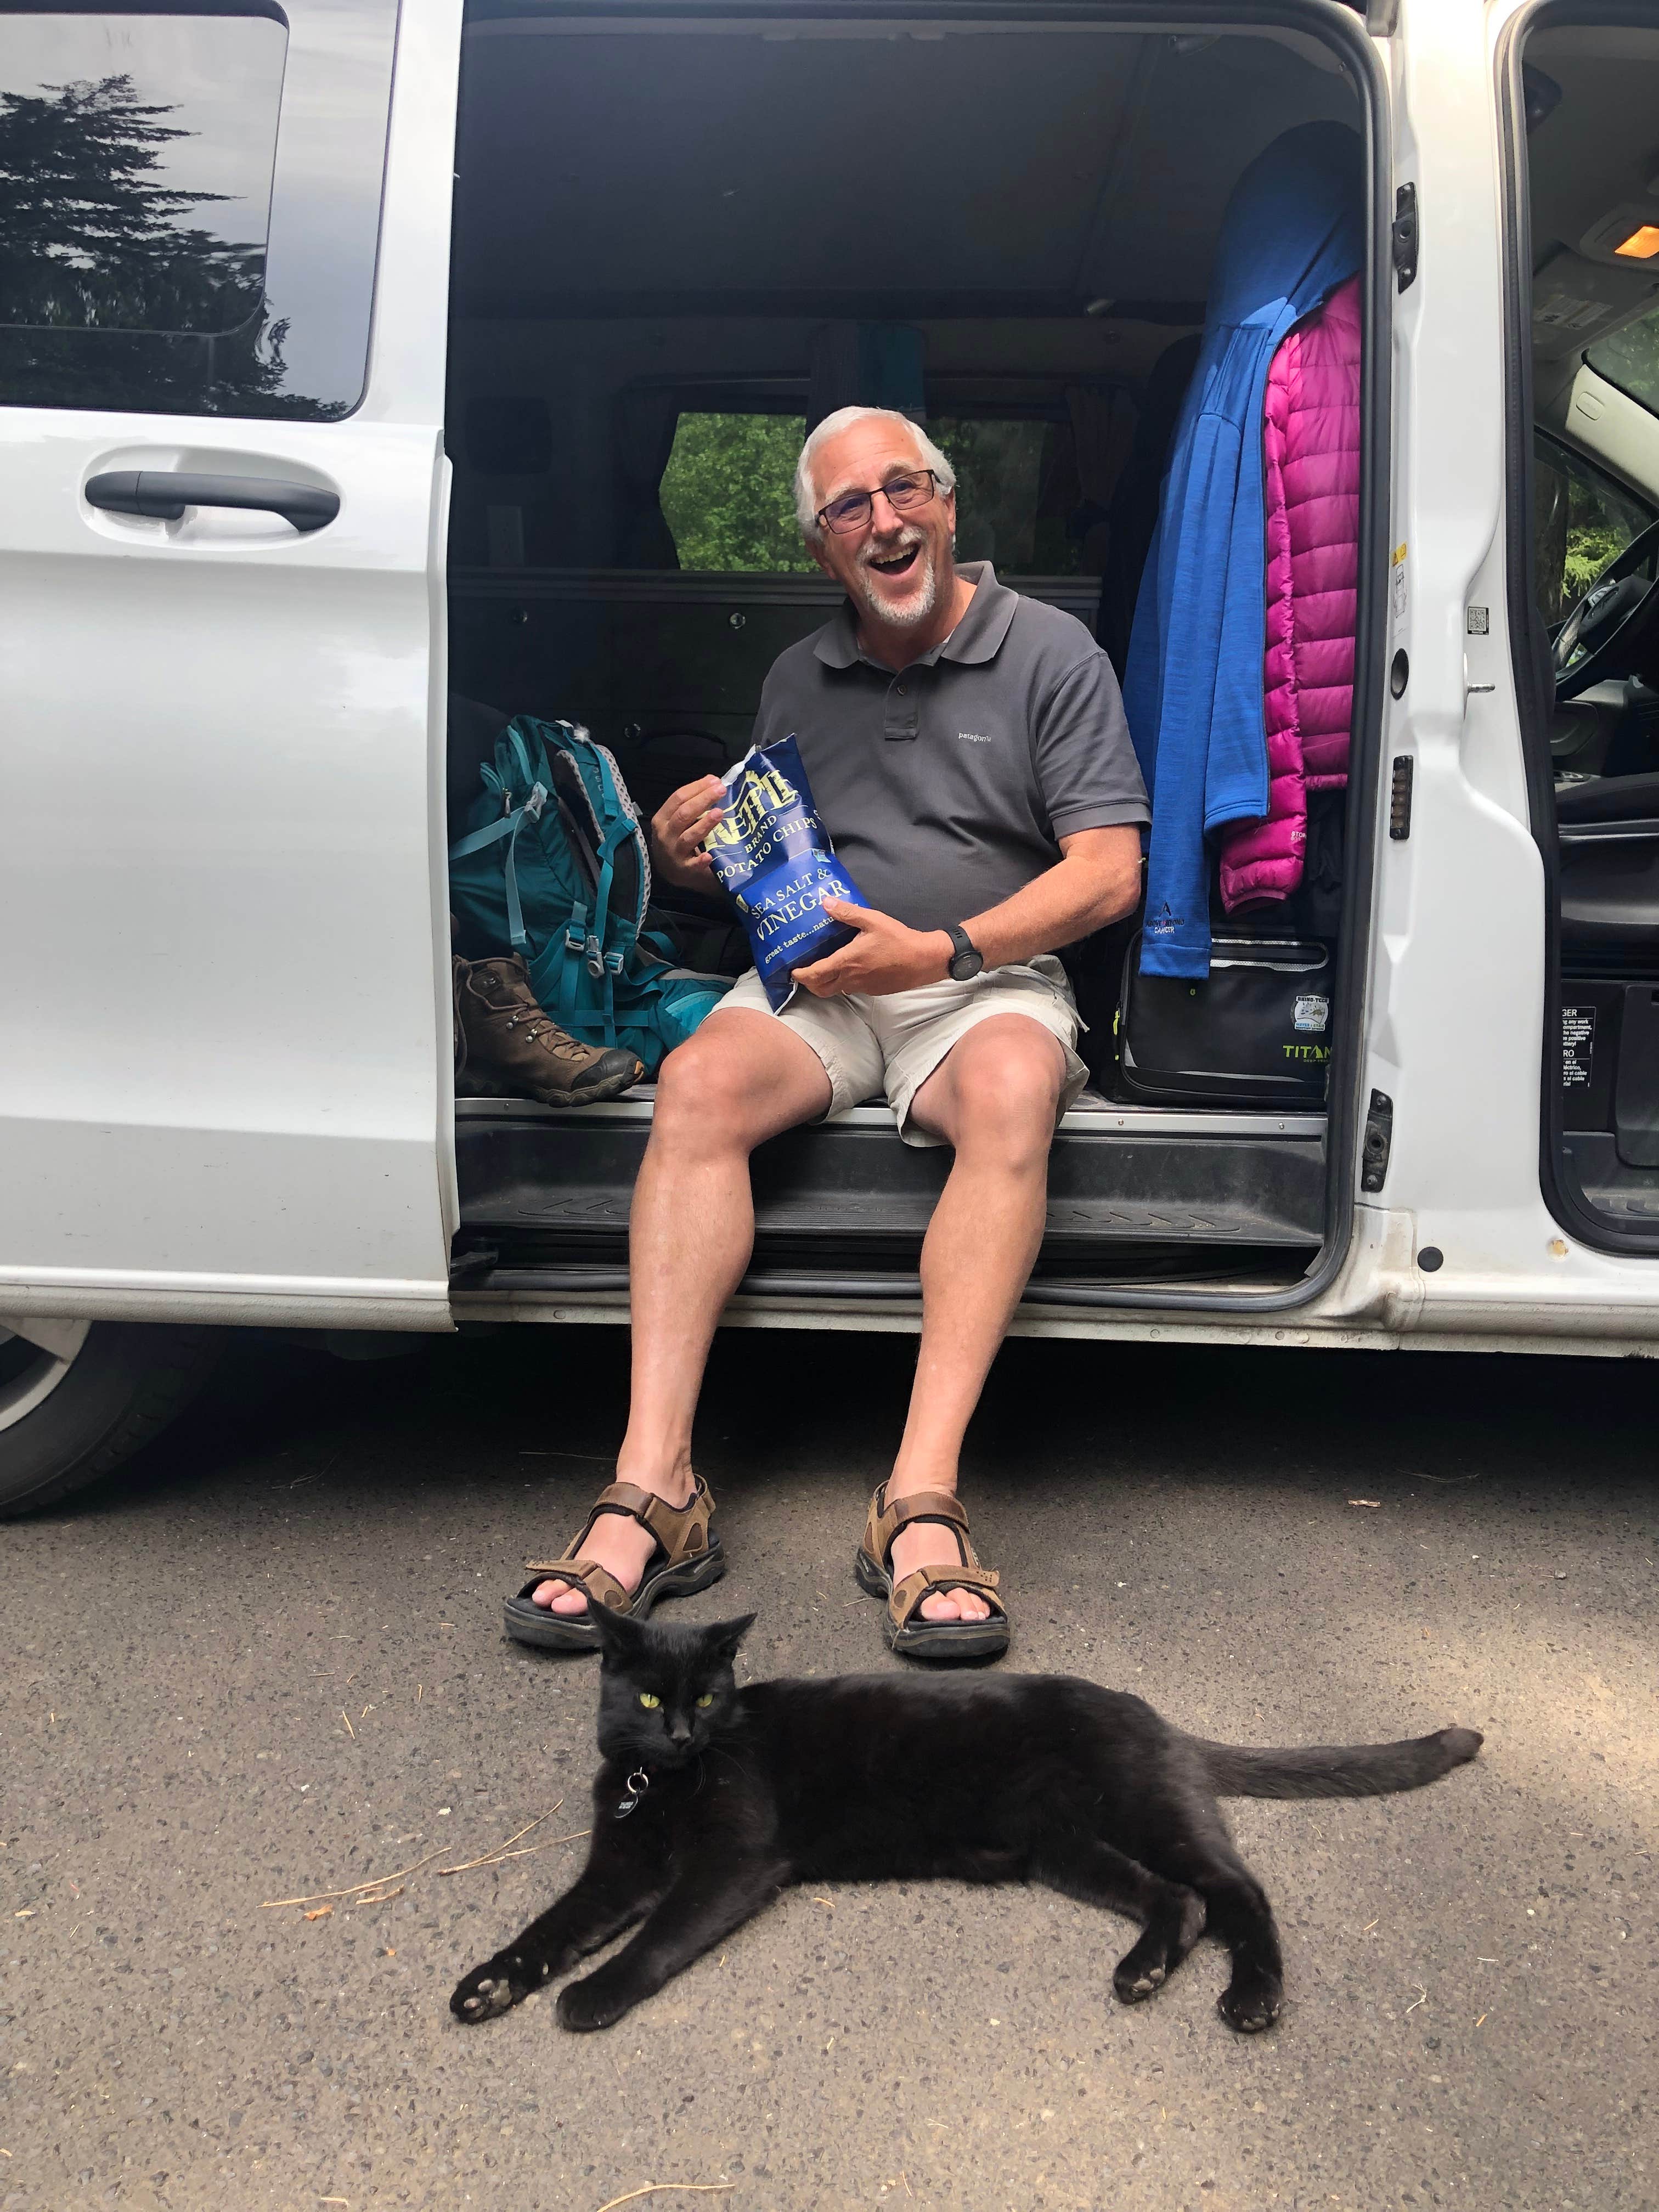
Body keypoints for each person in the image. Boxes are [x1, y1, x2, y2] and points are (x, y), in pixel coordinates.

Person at [505, 404, 1147, 1662]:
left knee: (1016, 1086)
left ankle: (918, 1498)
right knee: (695, 1082)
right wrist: (691, 861)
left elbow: (1110, 873)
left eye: (903, 491)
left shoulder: (1055, 652)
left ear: (949, 506)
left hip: (980, 981)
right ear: (820, 548)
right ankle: (657, 1488)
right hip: (827, 984)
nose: (883, 521)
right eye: (847, 508)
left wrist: (947, 948)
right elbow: (773, 875)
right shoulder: (798, 674)